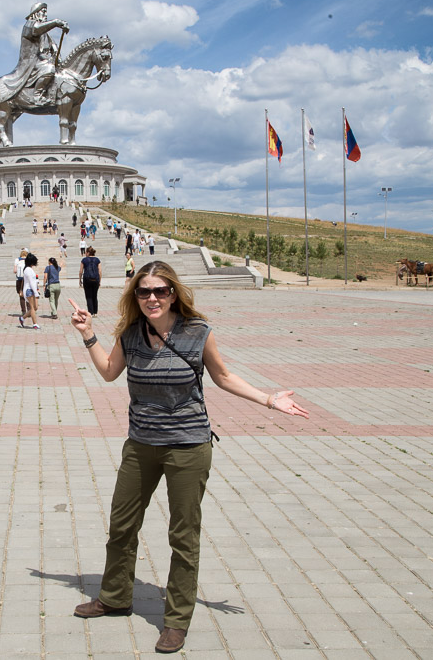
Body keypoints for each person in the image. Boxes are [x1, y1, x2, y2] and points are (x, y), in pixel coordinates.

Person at [68, 261, 309, 654]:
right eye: (144, 292)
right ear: (136, 297)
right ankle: (114, 597)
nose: (151, 298)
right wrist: (89, 336)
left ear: (173, 293)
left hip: (188, 447)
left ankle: (177, 621)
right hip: (140, 445)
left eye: (160, 291)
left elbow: (224, 377)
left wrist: (268, 400)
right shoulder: (131, 334)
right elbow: (110, 372)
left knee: (183, 534)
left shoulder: (197, 333)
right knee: (121, 524)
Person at [18, 252, 41, 330]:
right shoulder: (28, 270)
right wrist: (36, 292)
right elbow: (31, 282)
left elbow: (33, 281)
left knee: (34, 308)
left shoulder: (29, 269)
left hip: (31, 289)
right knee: (32, 307)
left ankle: (22, 318)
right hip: (29, 290)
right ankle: (35, 324)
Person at [79, 246, 102, 316]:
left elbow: (81, 271)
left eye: (86, 252)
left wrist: (80, 279)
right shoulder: (97, 260)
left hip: (87, 279)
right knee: (95, 296)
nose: (85, 253)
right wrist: (99, 281)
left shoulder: (84, 260)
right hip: (96, 280)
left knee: (88, 296)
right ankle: (95, 312)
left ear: (88, 253)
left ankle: (90, 312)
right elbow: (100, 271)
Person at [14, 248, 29, 314]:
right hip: (27, 280)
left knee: (21, 296)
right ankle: (29, 310)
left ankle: (23, 311)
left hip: (19, 280)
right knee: (28, 295)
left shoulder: (17, 260)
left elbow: (14, 271)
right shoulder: (28, 260)